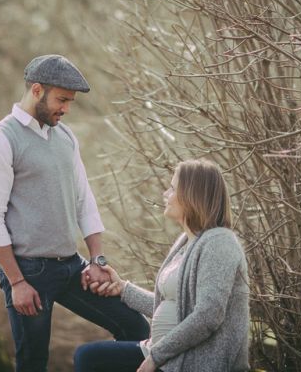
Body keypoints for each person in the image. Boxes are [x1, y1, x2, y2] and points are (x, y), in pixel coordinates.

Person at [0, 54, 150, 371]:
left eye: (70, 102)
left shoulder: (66, 137)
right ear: (38, 90)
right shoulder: (0, 141)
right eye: (62, 100)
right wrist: (17, 283)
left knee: (135, 329)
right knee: (32, 362)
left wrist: (97, 260)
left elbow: (84, 200)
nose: (66, 109)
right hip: (28, 272)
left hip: (72, 267)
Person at [74, 159, 250, 372]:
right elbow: (171, 306)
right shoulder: (186, 242)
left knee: (91, 359)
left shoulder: (219, 243)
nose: (165, 194)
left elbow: (208, 317)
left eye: (172, 188)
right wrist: (123, 288)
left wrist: (156, 357)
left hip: (192, 360)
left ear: (191, 195)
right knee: (89, 356)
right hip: (161, 352)